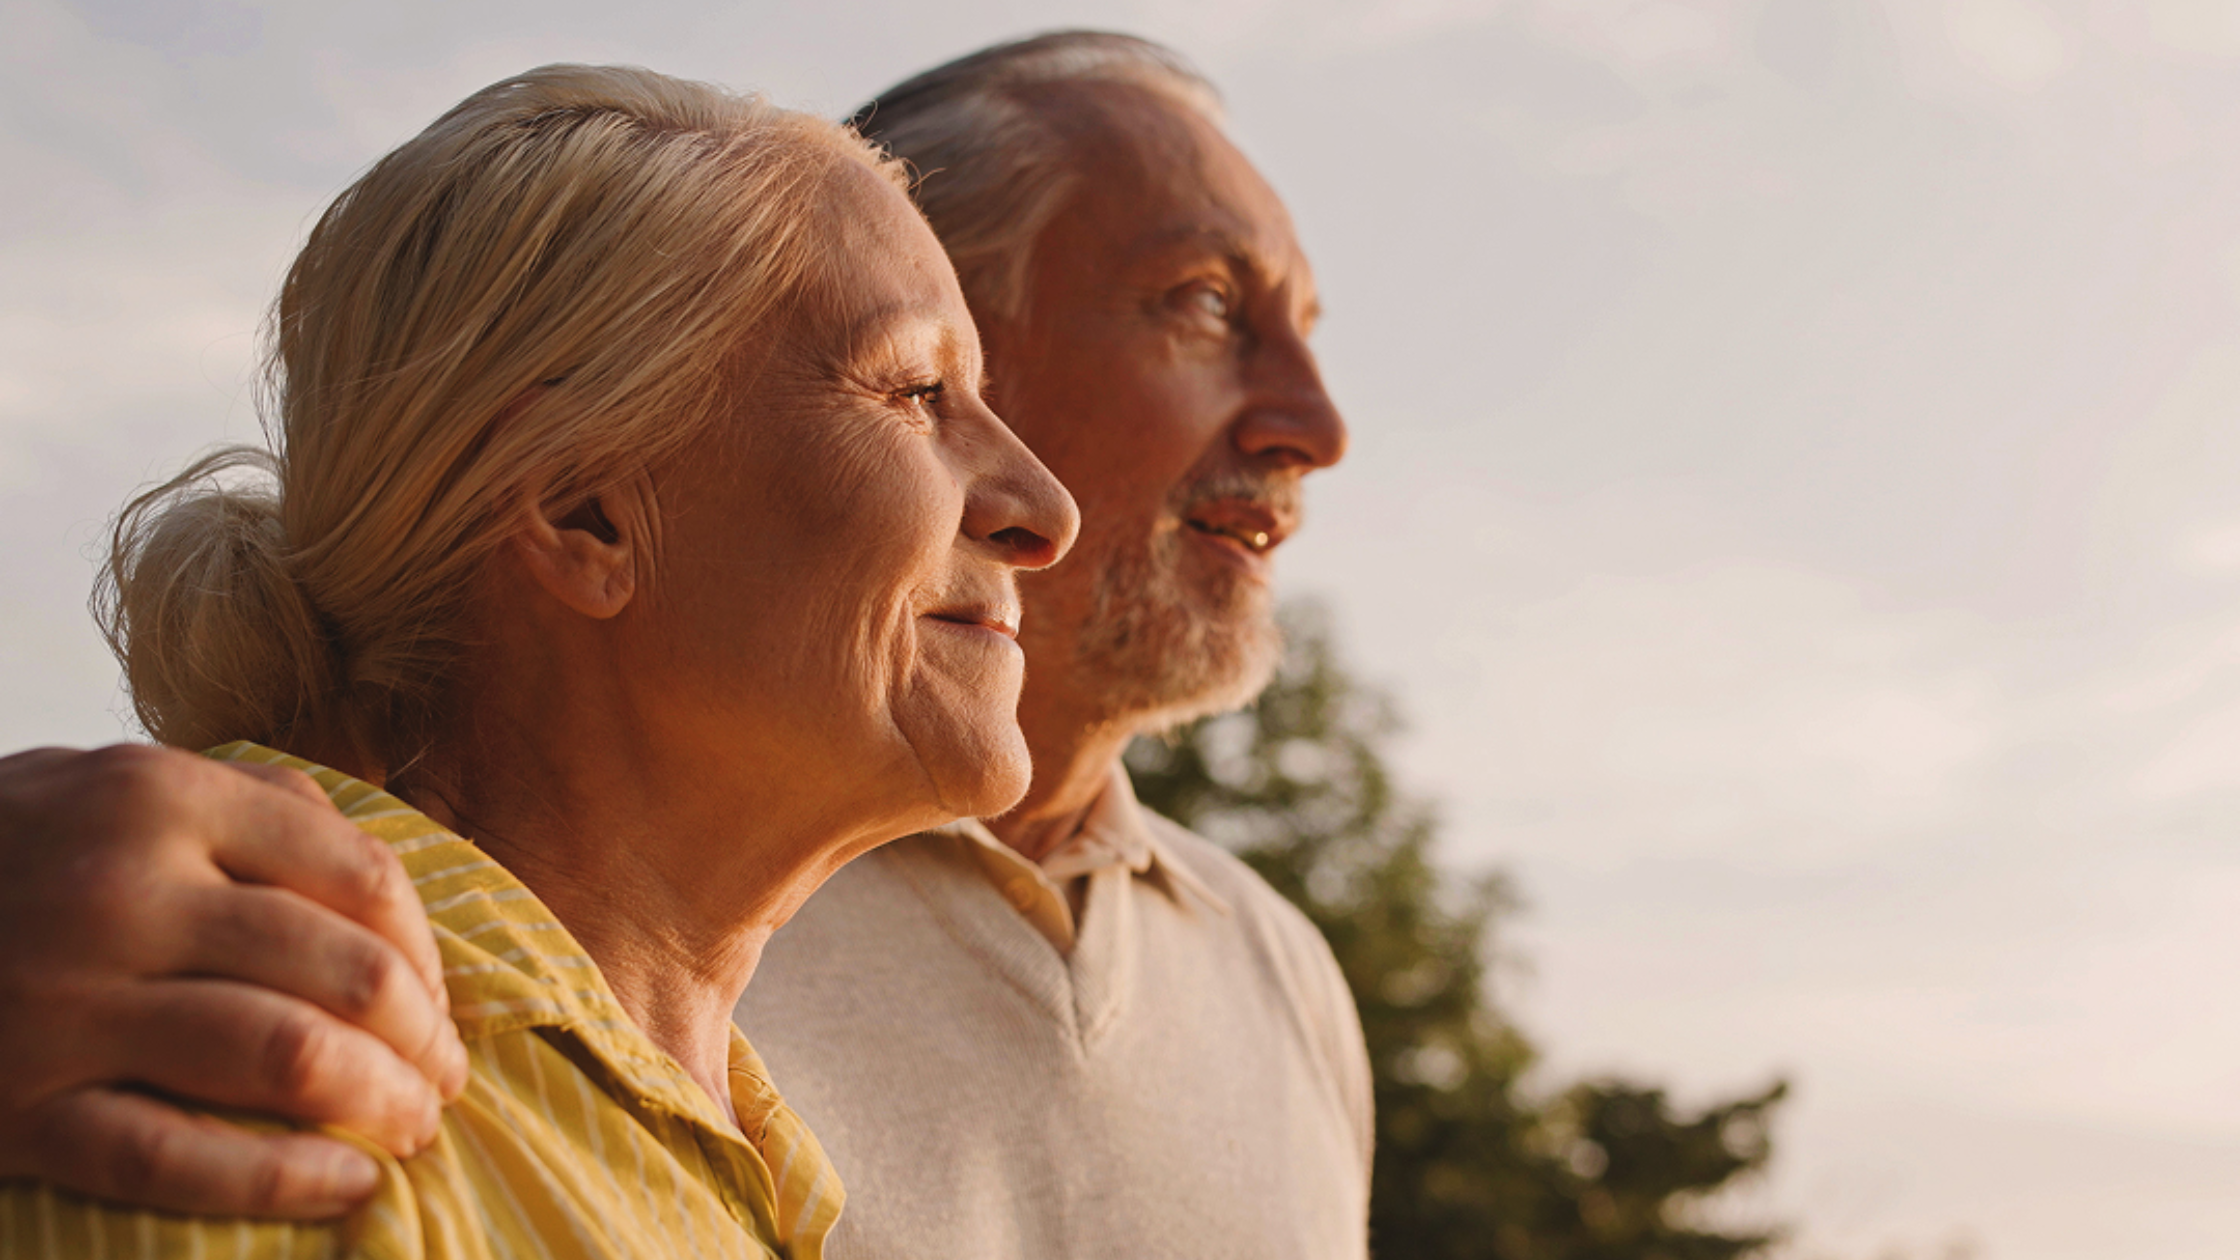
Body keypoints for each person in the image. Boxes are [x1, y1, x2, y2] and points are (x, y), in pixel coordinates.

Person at [0, 30, 1365, 1260]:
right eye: (918, 388)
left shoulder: (1275, 981)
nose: (1039, 506)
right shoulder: (261, 1027)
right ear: (585, 508)